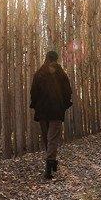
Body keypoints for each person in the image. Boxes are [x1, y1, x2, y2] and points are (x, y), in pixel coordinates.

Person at [30, 49, 72, 180]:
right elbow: (68, 92)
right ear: (56, 59)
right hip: (56, 110)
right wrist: (64, 105)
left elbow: (33, 92)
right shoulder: (61, 74)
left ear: (46, 58)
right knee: (52, 138)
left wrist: (35, 105)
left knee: (47, 138)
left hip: (42, 111)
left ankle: (51, 162)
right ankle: (50, 165)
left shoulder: (39, 73)